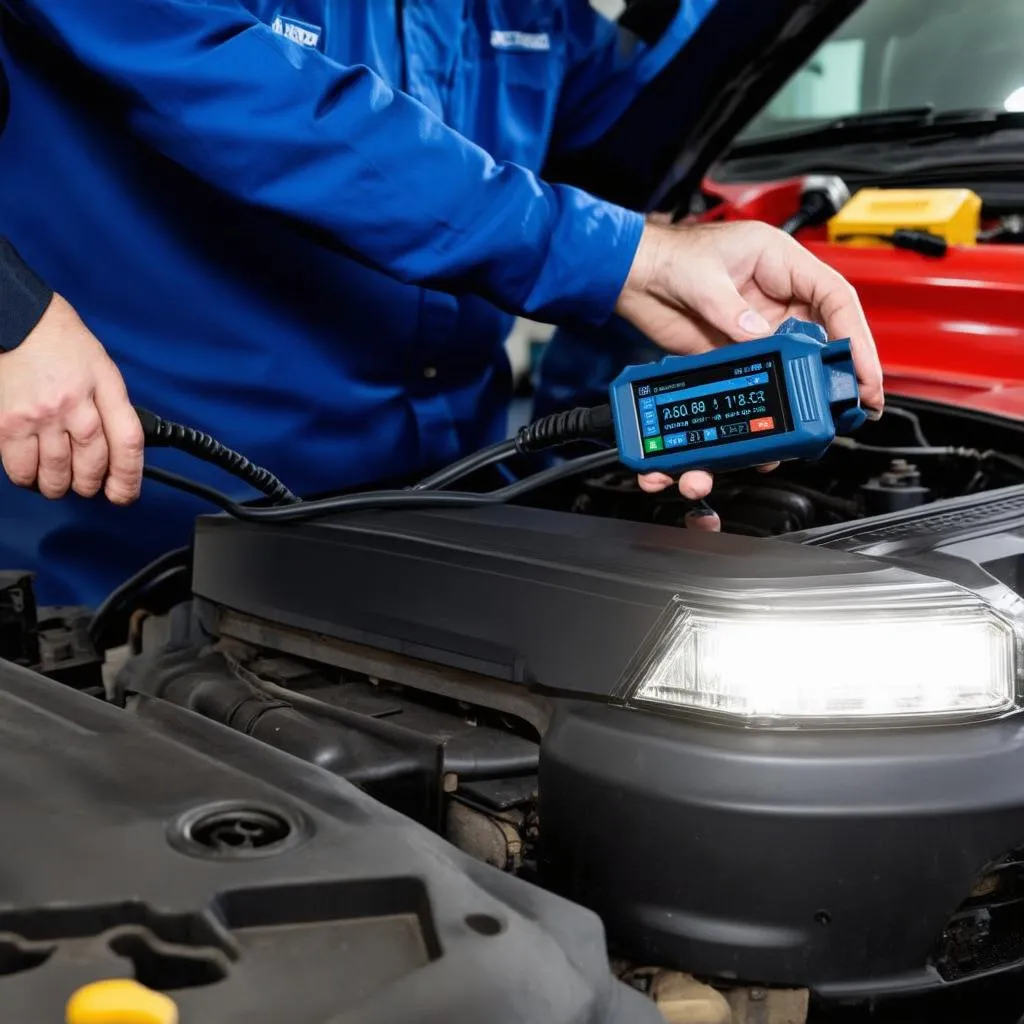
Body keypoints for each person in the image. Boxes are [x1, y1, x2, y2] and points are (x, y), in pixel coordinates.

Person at [0, 1, 883, 608]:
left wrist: (695, 309)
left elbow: (617, 170)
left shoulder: (528, 15)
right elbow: (272, 107)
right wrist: (11, 312)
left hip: (454, 527)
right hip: (132, 547)